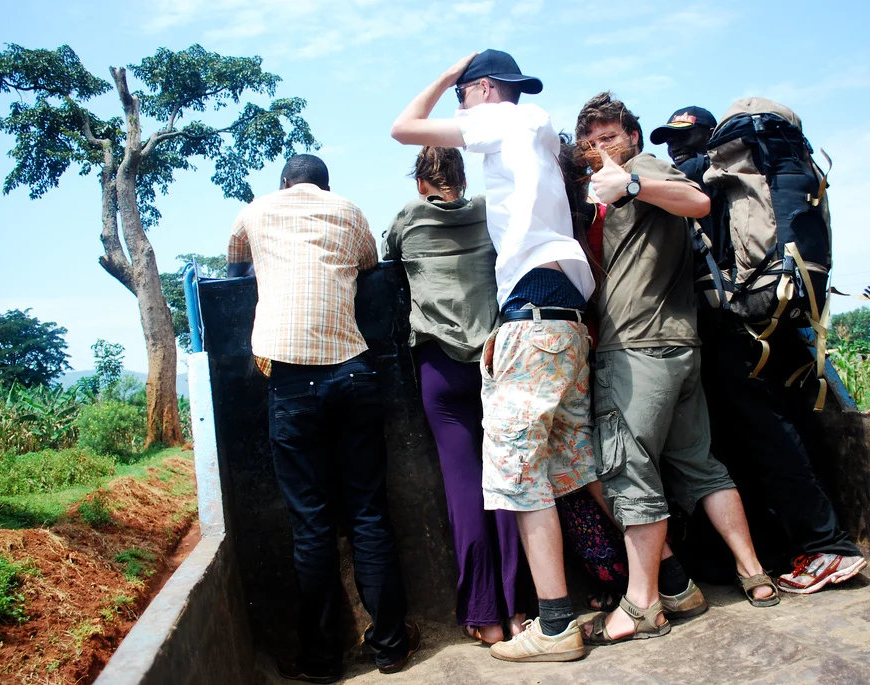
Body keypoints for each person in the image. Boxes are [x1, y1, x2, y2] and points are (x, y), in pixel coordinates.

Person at [391, 49, 597, 663]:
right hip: (567, 311)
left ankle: (552, 626)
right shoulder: (540, 129)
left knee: (508, 477)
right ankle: (654, 583)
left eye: (465, 95)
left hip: (521, 318)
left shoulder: (497, 118)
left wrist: (445, 79)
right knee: (570, 465)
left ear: (482, 89)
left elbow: (402, 127)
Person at [574, 92, 779, 646]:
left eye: (609, 137)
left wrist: (633, 183)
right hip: (679, 348)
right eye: (589, 142)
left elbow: (698, 202)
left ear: (633, 137)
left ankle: (643, 605)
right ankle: (753, 573)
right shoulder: (602, 191)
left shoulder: (642, 170)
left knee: (628, 469)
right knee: (700, 465)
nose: (599, 150)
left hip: (637, 349)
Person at [649, 107, 868, 594]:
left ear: (713, 141)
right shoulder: (742, 181)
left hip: (736, 328)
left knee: (768, 439)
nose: (676, 148)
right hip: (777, 319)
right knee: (788, 429)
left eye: (687, 138)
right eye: (669, 141)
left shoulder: (697, 180)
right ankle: (795, 545)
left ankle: (828, 546)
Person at [227, 154, 420, 682]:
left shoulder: (254, 212)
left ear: (283, 184)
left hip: (290, 378)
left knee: (310, 526)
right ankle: (389, 647)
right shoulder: (348, 211)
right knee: (367, 513)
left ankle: (321, 660)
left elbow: (236, 270)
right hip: (353, 372)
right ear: (326, 186)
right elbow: (368, 268)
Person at [381, 146, 526, 644]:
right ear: (463, 178)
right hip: (495, 361)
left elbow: (388, 255)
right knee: (508, 486)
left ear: (421, 181)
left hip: (441, 370)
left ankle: (485, 617)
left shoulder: (410, 217)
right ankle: (520, 610)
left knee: (464, 493)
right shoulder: (488, 211)